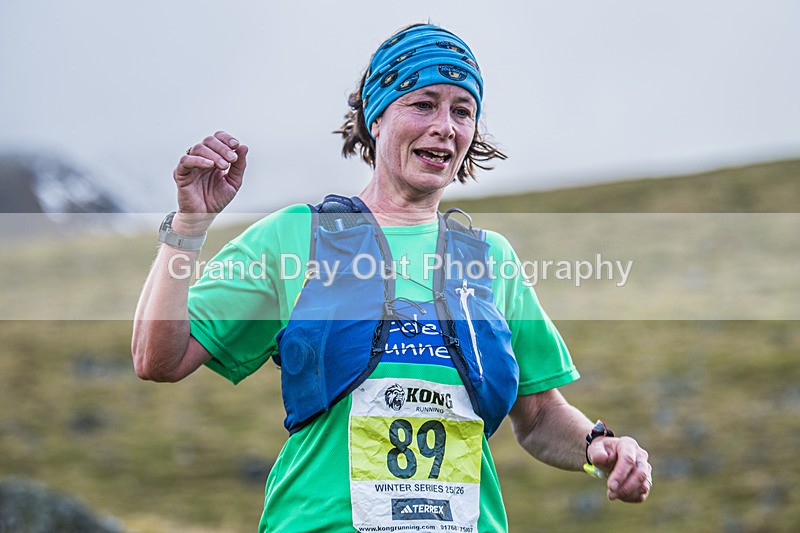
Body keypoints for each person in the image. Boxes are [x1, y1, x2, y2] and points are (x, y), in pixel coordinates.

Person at [132, 23, 652, 532]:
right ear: (376, 117)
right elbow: (160, 358)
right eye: (424, 103)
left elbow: (538, 416)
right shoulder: (296, 236)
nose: (445, 126)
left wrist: (596, 447)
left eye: (462, 110)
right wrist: (188, 228)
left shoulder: (491, 259)